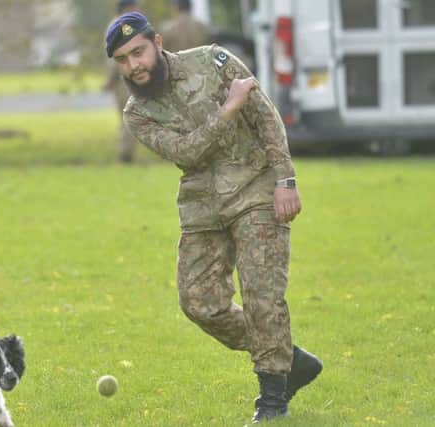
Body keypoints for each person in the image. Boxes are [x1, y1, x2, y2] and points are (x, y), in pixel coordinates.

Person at [105, 12, 323, 423]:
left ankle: (272, 398)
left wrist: (286, 180)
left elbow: (265, 117)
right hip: (203, 205)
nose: (134, 65)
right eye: (123, 59)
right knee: (199, 303)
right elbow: (187, 153)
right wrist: (227, 109)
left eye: (138, 52)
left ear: (156, 42)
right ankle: (289, 357)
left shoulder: (213, 61)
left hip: (256, 187)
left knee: (261, 295)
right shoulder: (136, 114)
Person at [103, 0, 140, 163]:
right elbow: (116, 57)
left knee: (128, 117)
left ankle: (126, 152)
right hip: (125, 79)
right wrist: (111, 79)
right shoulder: (123, 27)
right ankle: (126, 154)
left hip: (122, 78)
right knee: (129, 117)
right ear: (127, 8)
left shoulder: (117, 25)